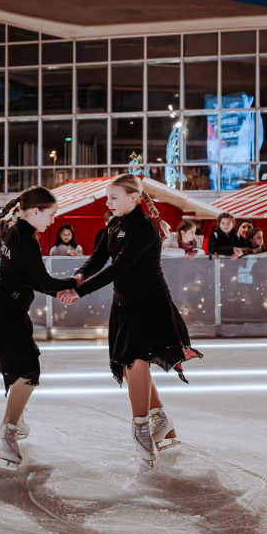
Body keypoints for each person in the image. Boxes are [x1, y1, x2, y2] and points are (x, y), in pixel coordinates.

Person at [57, 174, 202, 467]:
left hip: (149, 304)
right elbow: (98, 259)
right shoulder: (114, 225)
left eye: (114, 197)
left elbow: (118, 268)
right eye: (107, 197)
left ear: (134, 198)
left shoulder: (146, 227)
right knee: (129, 365)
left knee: (135, 362)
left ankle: (141, 429)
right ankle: (161, 419)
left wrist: (78, 291)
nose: (108, 202)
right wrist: (78, 276)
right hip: (124, 304)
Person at [0, 187, 77, 470]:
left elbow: (32, 280)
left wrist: (60, 290)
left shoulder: (15, 231)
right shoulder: (25, 238)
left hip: (3, 311)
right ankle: (8, 432)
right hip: (6, 315)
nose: (53, 221)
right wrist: (76, 282)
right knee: (28, 372)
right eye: (51, 215)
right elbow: (44, 280)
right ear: (36, 212)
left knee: (21, 370)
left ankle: (11, 422)